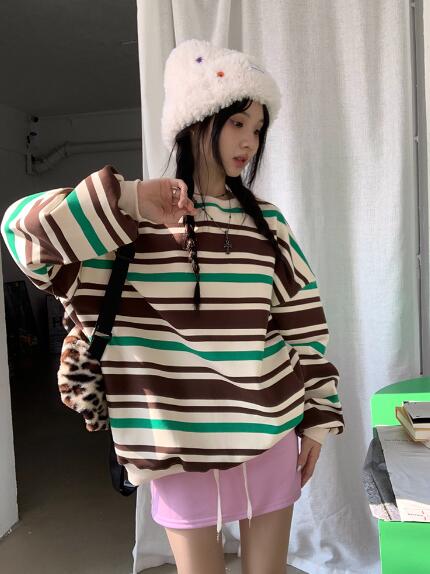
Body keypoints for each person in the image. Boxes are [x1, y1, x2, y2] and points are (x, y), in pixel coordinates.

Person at [1, 39, 344, 574]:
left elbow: (302, 325)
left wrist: (319, 416)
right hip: (173, 444)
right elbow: (20, 232)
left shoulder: (267, 223)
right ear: (196, 120)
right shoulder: (128, 226)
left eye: (258, 129)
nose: (250, 141)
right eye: (237, 123)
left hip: (270, 430)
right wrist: (130, 199)